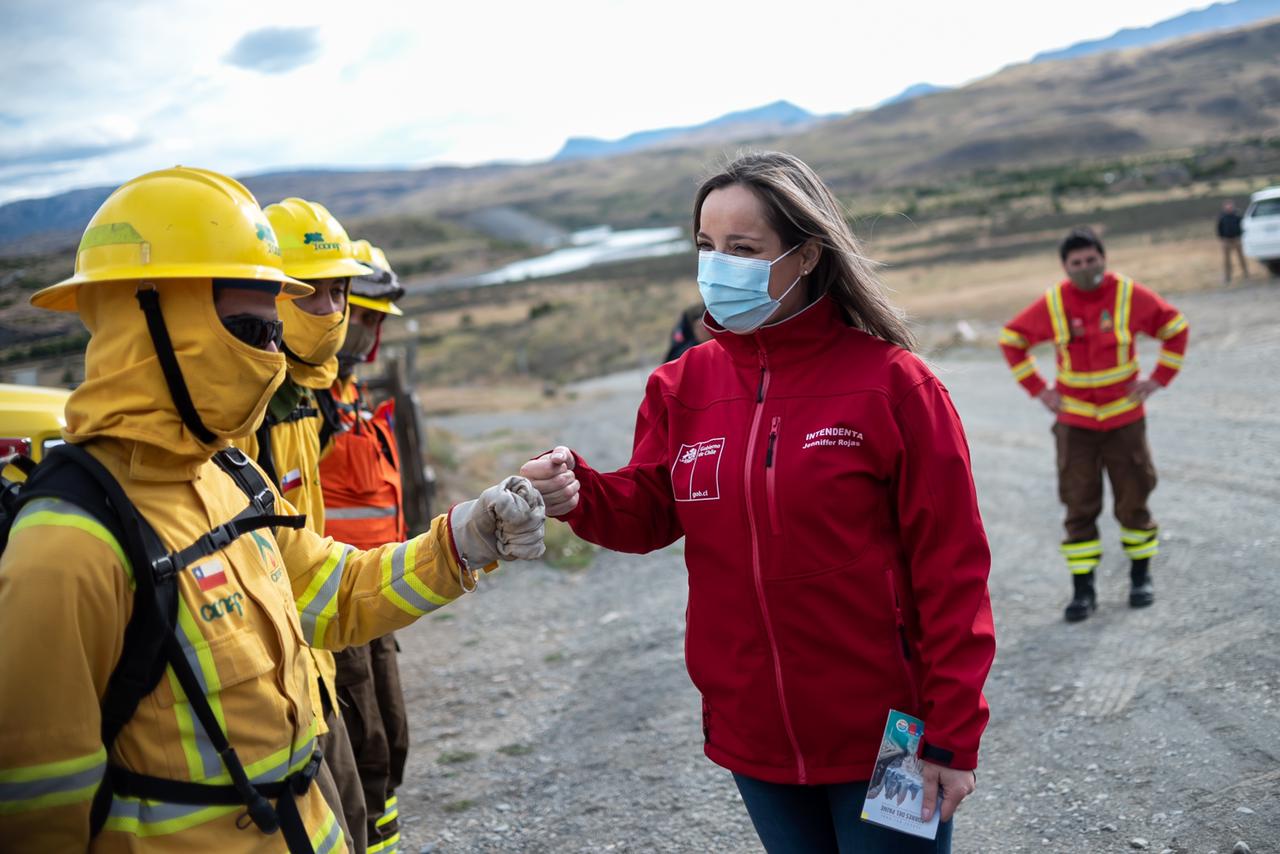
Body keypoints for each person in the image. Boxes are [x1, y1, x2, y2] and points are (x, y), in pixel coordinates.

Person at [0, 166, 546, 852]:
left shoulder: (228, 476)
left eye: (271, 331)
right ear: (148, 321)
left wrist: (464, 541)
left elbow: (335, 593)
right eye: (250, 331)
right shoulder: (67, 547)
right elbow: (35, 820)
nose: (271, 356)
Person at [521, 151, 994, 854]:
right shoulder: (682, 386)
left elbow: (953, 575)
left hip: (890, 740)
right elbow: (650, 512)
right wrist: (578, 492)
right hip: (753, 736)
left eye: (743, 249)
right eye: (707, 247)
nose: (718, 267)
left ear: (805, 257)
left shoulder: (895, 388)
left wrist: (950, 739)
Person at [231, 196, 374, 850]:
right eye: (313, 294)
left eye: (340, 293)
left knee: (362, 797)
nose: (334, 311)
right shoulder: (245, 411)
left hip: (325, 635)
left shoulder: (309, 394)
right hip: (280, 675)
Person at [999, 226, 1189, 622]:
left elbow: (1175, 329)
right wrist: (1040, 389)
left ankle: (1141, 579)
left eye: (1091, 260)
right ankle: (1083, 591)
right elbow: (1011, 338)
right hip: (1076, 425)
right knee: (1078, 505)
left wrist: (1158, 380)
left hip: (1125, 421)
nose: (1086, 268)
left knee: (1134, 499)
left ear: (1103, 258)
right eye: (1077, 263)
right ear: (1065, 267)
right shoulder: (1054, 303)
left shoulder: (1128, 294)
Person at [318, 240, 411, 854]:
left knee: (393, 736)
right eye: (367, 314)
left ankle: (386, 840)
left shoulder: (347, 402)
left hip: (375, 595)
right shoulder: (305, 408)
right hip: (335, 605)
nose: (371, 330)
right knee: (366, 746)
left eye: (377, 318)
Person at [1216, 200, 1249, 283]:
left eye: (1230, 206)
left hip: (1237, 239)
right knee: (1227, 260)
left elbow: (1243, 225)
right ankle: (1228, 276)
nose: (1229, 208)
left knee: (1241, 257)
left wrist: (1241, 235)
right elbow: (1219, 228)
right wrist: (1222, 238)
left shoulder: (1237, 216)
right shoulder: (1222, 217)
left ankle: (1245, 273)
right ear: (1224, 207)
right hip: (1227, 240)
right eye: (1227, 206)